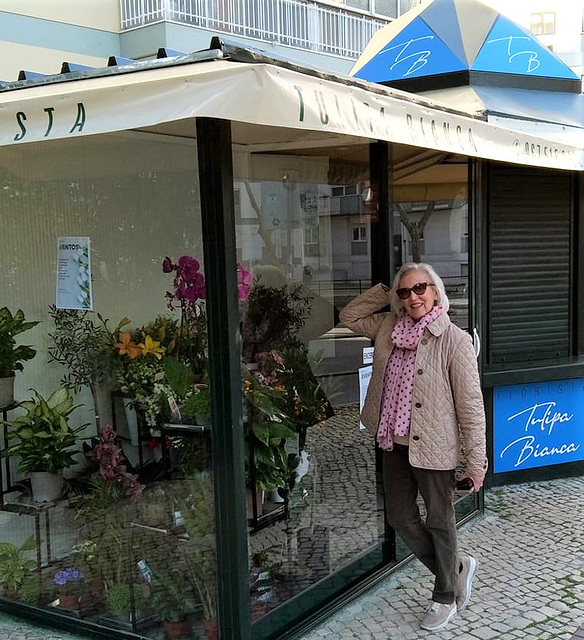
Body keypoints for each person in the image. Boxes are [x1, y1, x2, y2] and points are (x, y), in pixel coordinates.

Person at [339, 262, 487, 632]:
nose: (413, 297)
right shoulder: (388, 327)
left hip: (435, 447)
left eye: (420, 288)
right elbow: (349, 315)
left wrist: (476, 462)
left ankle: (445, 596)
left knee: (440, 522)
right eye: (404, 292)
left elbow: (471, 406)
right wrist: (386, 291)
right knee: (401, 518)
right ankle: (455, 569)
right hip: (394, 443)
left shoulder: (454, 340)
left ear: (436, 291)